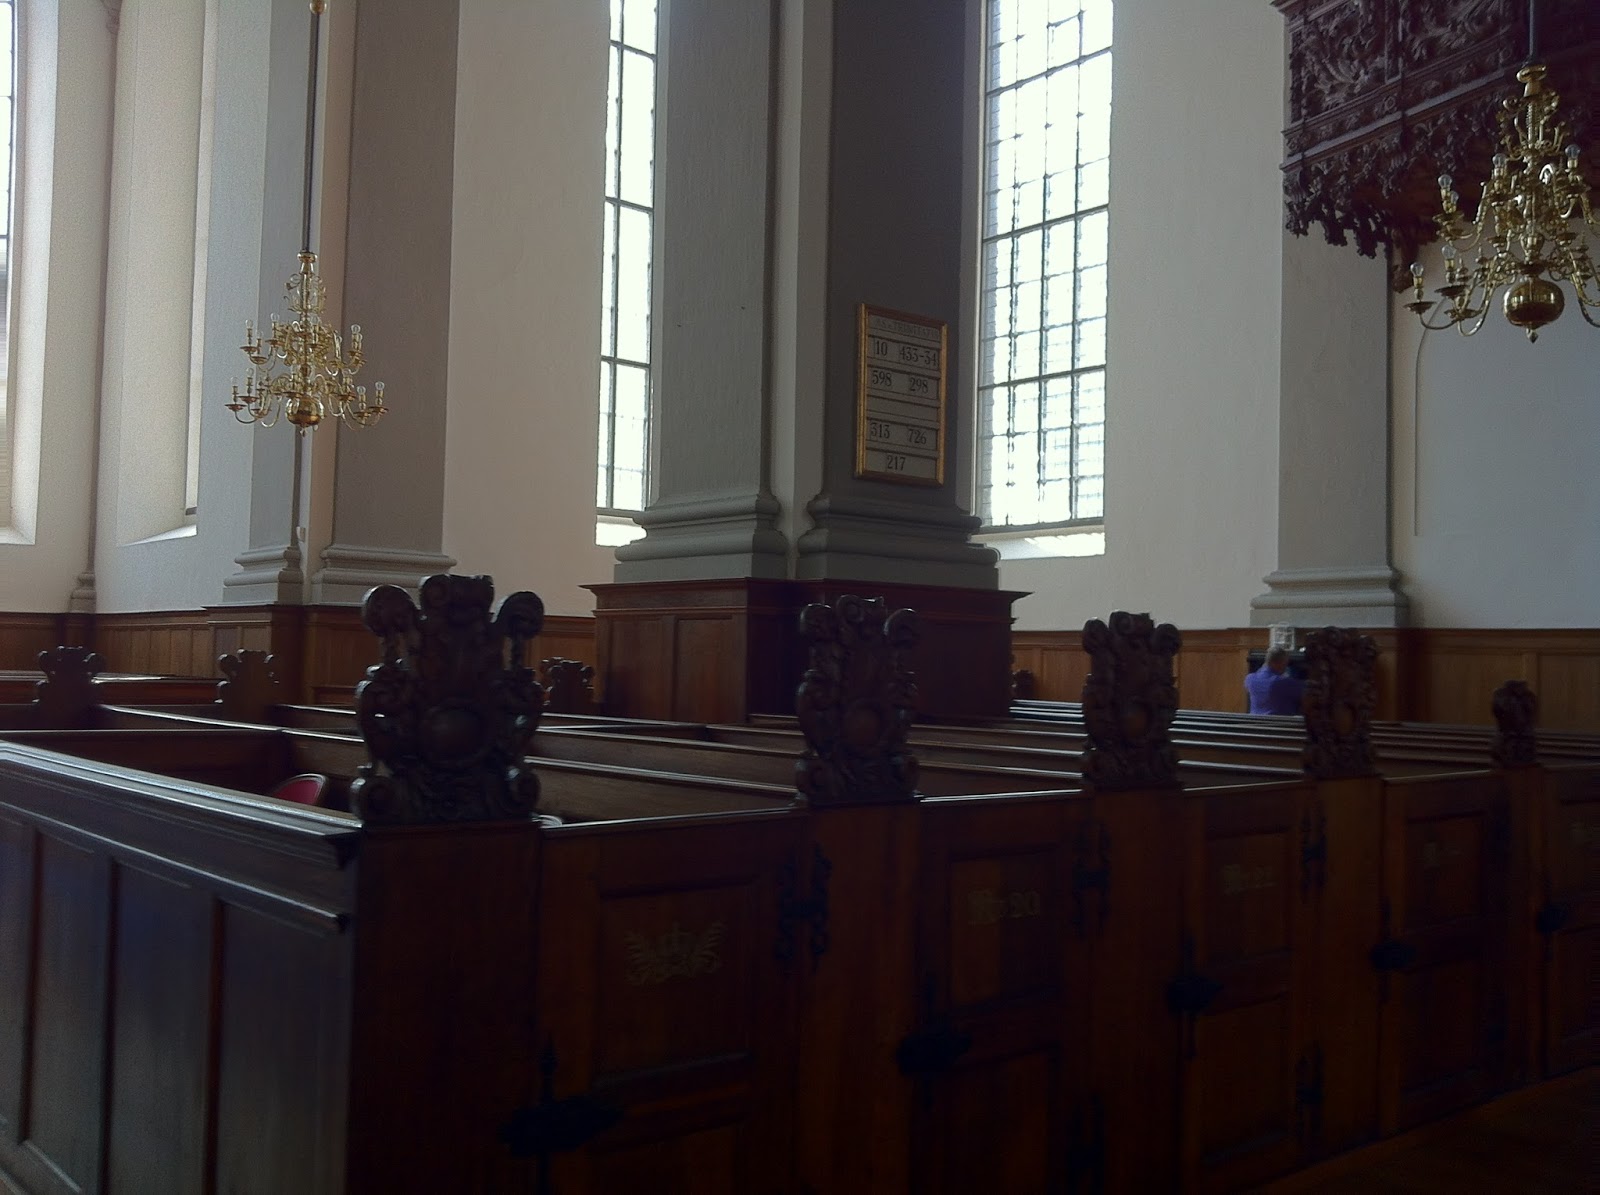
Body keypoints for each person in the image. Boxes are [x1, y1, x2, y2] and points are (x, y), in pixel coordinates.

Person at [1246, 646, 1304, 715]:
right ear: (1277, 663)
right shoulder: (1282, 682)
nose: (1285, 667)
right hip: (1280, 721)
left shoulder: (1250, 679)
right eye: (1285, 664)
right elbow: (1306, 690)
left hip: (1253, 721)